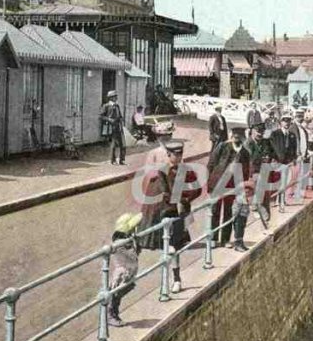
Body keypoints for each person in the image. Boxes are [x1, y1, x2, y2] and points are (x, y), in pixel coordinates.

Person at [138, 141, 201, 292]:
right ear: (168, 155)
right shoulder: (161, 172)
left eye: (180, 155)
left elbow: (197, 189)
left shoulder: (187, 171)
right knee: (169, 247)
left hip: (179, 213)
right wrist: (176, 202)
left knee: (175, 247)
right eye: (175, 155)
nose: (178, 158)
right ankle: (170, 281)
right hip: (166, 212)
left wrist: (186, 200)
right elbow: (164, 193)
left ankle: (177, 280)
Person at [207, 127, 252, 251]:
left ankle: (225, 239)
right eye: (235, 134)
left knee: (228, 212)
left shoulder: (245, 153)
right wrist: (210, 184)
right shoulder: (222, 147)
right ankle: (213, 238)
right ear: (231, 135)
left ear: (243, 138)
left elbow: (246, 171)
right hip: (218, 183)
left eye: (239, 135)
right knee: (215, 211)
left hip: (233, 186)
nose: (236, 137)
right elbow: (211, 163)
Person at [107, 213, 142, 327]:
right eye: (133, 228)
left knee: (121, 293)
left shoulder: (128, 240)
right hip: (122, 273)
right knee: (116, 294)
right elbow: (131, 254)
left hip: (129, 272)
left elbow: (136, 253)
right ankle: (111, 315)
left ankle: (115, 314)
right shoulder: (119, 243)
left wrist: (136, 241)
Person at [245, 122, 276, 222]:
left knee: (265, 195)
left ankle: (266, 217)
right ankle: (255, 207)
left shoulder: (266, 142)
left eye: (262, 132)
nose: (260, 134)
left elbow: (272, 154)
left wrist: (271, 160)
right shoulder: (247, 144)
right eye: (258, 132)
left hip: (264, 171)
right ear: (252, 132)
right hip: (252, 173)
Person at [269, 114, 298, 211]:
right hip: (276, 161)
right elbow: (271, 147)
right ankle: (277, 201)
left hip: (286, 163)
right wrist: (272, 158)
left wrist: (293, 159)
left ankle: (281, 202)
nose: (287, 123)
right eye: (285, 121)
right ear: (281, 122)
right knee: (278, 182)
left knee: (283, 182)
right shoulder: (275, 134)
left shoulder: (292, 135)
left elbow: (294, 150)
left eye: (288, 122)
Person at [100, 90, 126, 165]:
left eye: (116, 96)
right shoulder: (106, 106)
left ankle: (122, 160)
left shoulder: (117, 106)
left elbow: (120, 115)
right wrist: (109, 119)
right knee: (113, 144)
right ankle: (113, 160)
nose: (116, 98)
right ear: (110, 98)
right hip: (111, 127)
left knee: (123, 144)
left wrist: (121, 118)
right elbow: (101, 116)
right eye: (114, 97)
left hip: (118, 126)